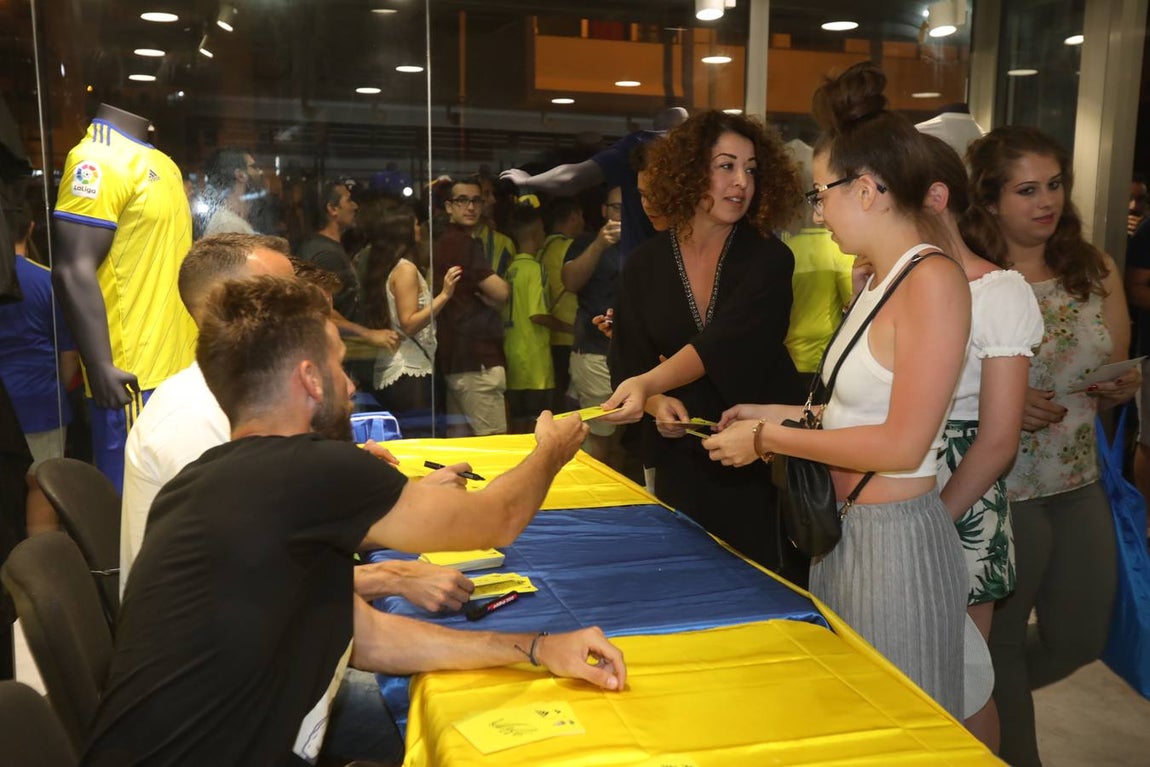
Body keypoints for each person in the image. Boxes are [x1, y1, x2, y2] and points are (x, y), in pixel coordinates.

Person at [83, 275, 621, 766]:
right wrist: (551, 450)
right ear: (310, 380)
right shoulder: (310, 471)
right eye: (340, 365)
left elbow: (372, 638)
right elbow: (498, 519)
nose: (349, 385)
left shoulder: (200, 482)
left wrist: (538, 647)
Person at [701, 62, 971, 718]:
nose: (818, 211)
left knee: (898, 729)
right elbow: (853, 407)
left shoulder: (932, 280)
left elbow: (904, 441)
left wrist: (767, 437)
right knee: (846, 716)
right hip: (841, 533)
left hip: (895, 544)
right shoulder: (877, 278)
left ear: (871, 188)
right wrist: (776, 412)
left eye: (823, 193)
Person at [962, 125, 1135, 767]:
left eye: (1054, 184)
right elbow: (936, 374)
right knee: (1000, 643)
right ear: (989, 201)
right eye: (1027, 189)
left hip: (1079, 479)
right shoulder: (971, 277)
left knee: (1081, 635)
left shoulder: (1093, 267)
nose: (1047, 201)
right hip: (1003, 485)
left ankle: (959, 701)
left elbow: (1110, 358)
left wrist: (1120, 384)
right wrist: (996, 397)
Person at [599, 109, 805, 576]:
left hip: (762, 452)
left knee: (771, 587)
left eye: (751, 169)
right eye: (726, 165)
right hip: (685, 459)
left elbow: (727, 341)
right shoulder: (645, 264)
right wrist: (655, 406)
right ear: (691, 172)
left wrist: (649, 380)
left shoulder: (770, 257)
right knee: (690, 584)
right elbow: (625, 366)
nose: (741, 182)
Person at [920, 134, 1044, 748]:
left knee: (962, 682)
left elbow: (997, 441)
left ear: (934, 199)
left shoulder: (998, 292)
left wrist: (930, 520)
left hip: (959, 494)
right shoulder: (880, 283)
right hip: (896, 486)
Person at [52, 103, 198, 492]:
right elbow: (71, 268)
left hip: (180, 370)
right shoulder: (95, 160)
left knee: (175, 507)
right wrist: (99, 363)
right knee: (134, 510)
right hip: (135, 376)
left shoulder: (162, 162)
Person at [502, 106, 687, 258]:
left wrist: (529, 181)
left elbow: (570, 178)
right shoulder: (697, 152)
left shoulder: (640, 145)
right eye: (644, 195)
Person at [0, 204, 79, 534]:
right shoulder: (47, 281)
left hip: (6, 401)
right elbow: (69, 356)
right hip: (40, 402)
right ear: (31, 228)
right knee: (41, 485)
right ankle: (39, 575)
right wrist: (59, 389)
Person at [358, 206, 459, 435]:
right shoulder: (405, 269)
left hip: (393, 367)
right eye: (414, 224)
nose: (419, 228)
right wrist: (444, 295)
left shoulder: (386, 267)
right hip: (409, 369)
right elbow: (409, 322)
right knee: (420, 440)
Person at [433, 176, 510, 436]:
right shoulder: (464, 243)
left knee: (461, 449)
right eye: (462, 200)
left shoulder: (444, 241)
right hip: (477, 358)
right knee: (495, 449)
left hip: (454, 357)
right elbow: (501, 291)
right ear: (448, 207)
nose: (470, 207)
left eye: (476, 200)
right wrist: (490, 296)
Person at [562, 188, 623, 462]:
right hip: (595, 351)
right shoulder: (586, 241)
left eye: (628, 207)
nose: (622, 214)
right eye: (616, 207)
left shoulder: (645, 242)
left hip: (632, 355)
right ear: (603, 210)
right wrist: (599, 244)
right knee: (600, 437)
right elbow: (570, 281)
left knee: (620, 439)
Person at [502, 204, 556, 433]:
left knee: (517, 422)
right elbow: (538, 314)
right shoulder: (535, 268)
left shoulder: (509, 269)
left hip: (513, 355)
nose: (545, 235)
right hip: (535, 361)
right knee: (538, 425)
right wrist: (569, 328)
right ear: (535, 234)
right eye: (543, 230)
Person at [199, 147, 262, 237]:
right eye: (253, 167)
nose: (259, 172)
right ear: (240, 175)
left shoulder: (231, 221)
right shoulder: (229, 225)